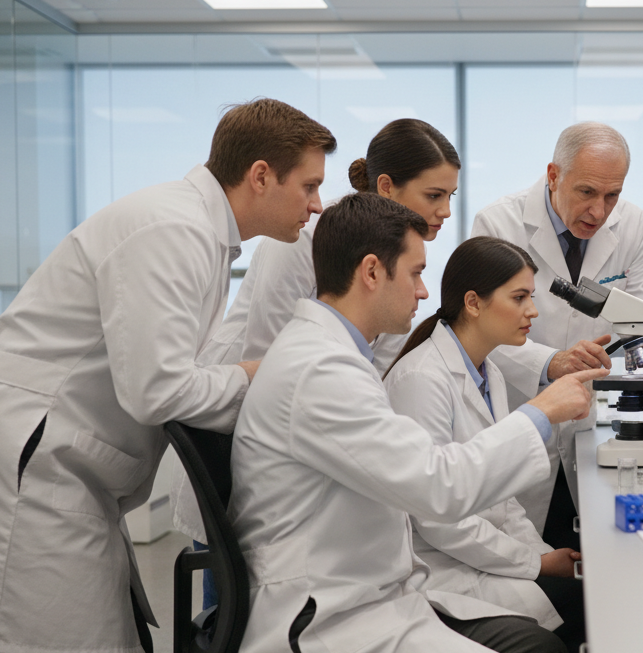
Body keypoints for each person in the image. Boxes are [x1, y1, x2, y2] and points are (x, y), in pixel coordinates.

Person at [0, 98, 335, 653]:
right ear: (261, 175)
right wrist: (268, 378)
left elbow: (177, 371)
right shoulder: (172, 229)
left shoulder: (200, 234)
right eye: (310, 185)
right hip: (29, 475)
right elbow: (160, 390)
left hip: (67, 477)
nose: (318, 204)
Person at [229, 192, 606, 653]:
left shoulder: (334, 355)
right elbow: (439, 486)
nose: (426, 292)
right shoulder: (322, 370)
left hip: (373, 596)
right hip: (325, 626)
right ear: (372, 271)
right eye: (416, 273)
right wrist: (541, 414)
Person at [172, 118, 460, 554]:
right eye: (434, 196)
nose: (446, 211)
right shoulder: (302, 239)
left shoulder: (397, 253)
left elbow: (378, 366)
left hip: (311, 441)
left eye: (450, 196)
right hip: (237, 433)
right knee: (235, 593)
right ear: (386, 186)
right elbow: (270, 362)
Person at [472, 121, 643, 551]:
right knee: (527, 558)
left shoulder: (631, 224)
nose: (600, 212)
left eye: (612, 195)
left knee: (594, 556)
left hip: (590, 423)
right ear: (553, 175)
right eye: (586, 192)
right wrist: (550, 362)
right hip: (523, 418)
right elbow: (480, 333)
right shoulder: (499, 222)